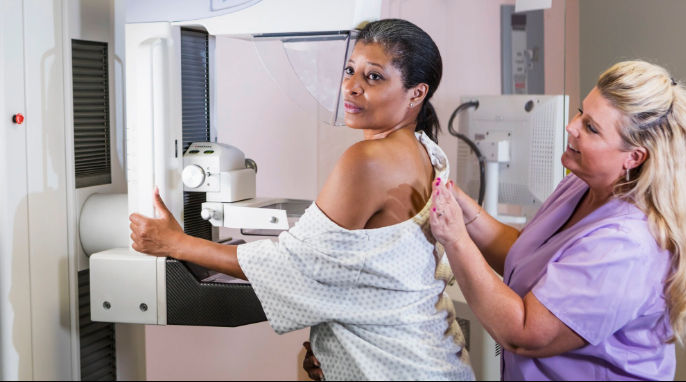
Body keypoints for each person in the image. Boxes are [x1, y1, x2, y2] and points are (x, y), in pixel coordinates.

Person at [130, 18, 475, 381]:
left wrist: (176, 243)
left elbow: (292, 264)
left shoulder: (368, 160)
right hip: (432, 356)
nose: (350, 87)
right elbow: (373, 271)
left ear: (416, 93)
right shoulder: (428, 151)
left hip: (397, 368)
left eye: (373, 77)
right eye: (349, 70)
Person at [427, 60, 686, 380]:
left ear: (634, 157)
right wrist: (463, 209)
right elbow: (526, 254)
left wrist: (456, 239)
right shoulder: (580, 184)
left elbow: (523, 333)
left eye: (592, 128)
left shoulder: (626, 244)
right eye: (582, 111)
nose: (572, 126)